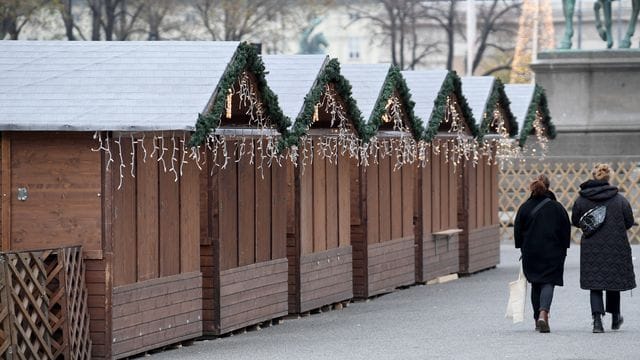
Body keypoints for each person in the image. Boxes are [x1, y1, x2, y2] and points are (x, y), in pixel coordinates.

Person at [571, 163, 636, 333]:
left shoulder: (582, 199)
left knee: (595, 283)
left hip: (591, 247)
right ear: (609, 178)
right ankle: (615, 317)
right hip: (615, 246)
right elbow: (629, 222)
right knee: (612, 281)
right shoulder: (620, 200)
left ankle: (597, 322)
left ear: (593, 177)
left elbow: (576, 221)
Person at [514, 174, 571, 333]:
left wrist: (521, 246)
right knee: (548, 281)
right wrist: (564, 248)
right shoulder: (557, 207)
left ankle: (535, 319)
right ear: (549, 187)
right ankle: (543, 313)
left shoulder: (525, 207)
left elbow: (518, 230)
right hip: (553, 251)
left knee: (535, 283)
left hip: (531, 251)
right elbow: (566, 230)